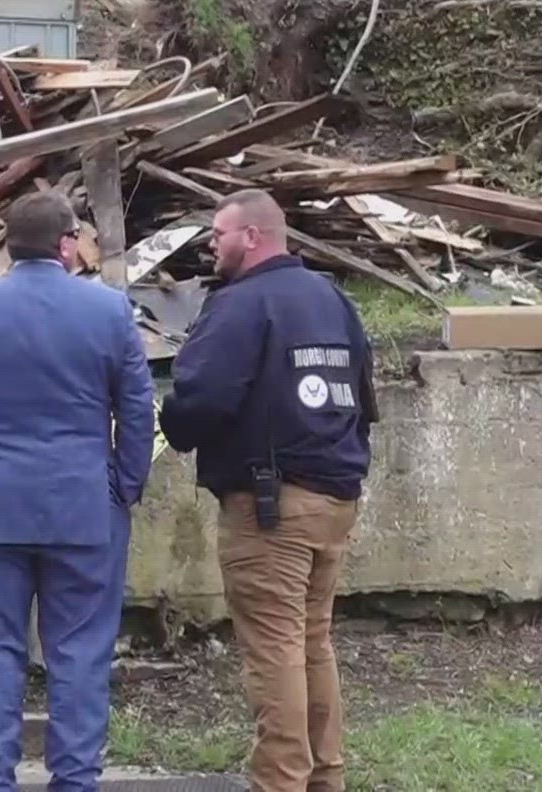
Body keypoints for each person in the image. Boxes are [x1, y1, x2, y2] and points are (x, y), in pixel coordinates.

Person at [0, 191, 156, 792]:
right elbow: (136, 406)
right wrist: (123, 487)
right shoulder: (108, 311)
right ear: (68, 243)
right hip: (83, 506)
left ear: (8, 244)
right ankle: (75, 781)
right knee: (80, 654)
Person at [159, 189, 377, 792]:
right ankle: (324, 778)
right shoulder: (332, 300)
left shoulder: (240, 305)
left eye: (218, 233)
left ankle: (279, 781)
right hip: (335, 495)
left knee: (275, 651)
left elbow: (200, 401)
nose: (210, 243)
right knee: (312, 642)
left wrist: (171, 422)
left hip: (270, 510)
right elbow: (364, 399)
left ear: (252, 237)